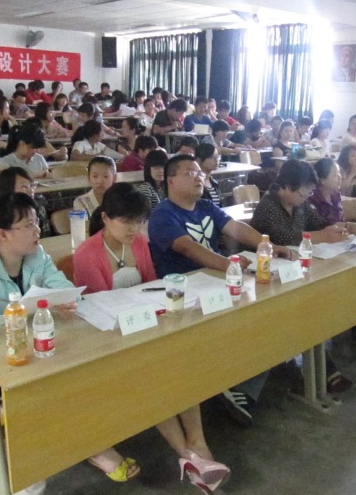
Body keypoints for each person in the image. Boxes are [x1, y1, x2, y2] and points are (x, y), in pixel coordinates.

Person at [0, 192, 139, 493]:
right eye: (28, 225)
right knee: (33, 393)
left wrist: (64, 299)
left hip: (30, 352)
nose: (38, 230)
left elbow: (64, 287)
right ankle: (36, 476)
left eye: (36, 222)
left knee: (76, 372)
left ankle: (86, 443)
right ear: (3, 234)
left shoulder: (37, 257)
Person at [73, 183, 231, 493]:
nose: (134, 229)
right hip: (109, 338)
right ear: (105, 218)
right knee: (155, 375)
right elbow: (99, 309)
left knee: (178, 364)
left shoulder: (139, 243)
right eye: (126, 222)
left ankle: (196, 446)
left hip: (143, 326)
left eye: (139, 221)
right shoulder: (87, 253)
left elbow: (151, 286)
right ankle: (189, 454)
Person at [220, 160, 354, 426]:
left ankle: (317, 367)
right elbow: (283, 239)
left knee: (307, 308)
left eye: (309, 192)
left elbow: (319, 224)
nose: (306, 197)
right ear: (286, 187)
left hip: (290, 274)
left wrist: (337, 229)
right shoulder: (268, 206)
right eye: (303, 192)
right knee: (287, 316)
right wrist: (320, 236)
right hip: (262, 277)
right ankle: (250, 386)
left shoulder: (300, 204)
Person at [148, 154, 291, 277]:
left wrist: (269, 247)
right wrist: (227, 264)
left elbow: (235, 227)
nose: (199, 178)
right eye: (191, 173)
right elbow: (187, 247)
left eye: (200, 173)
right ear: (171, 181)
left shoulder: (206, 206)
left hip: (215, 274)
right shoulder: (163, 214)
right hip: (184, 283)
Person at [310, 158, 356, 345]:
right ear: (322, 180)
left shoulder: (336, 195)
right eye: (335, 175)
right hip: (320, 251)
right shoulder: (311, 199)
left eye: (340, 173)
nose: (340, 178)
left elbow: (342, 222)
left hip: (339, 246)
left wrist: (351, 228)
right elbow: (315, 229)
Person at [0, 167, 51, 238]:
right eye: (24, 187)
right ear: (8, 189)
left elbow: (45, 235)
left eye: (31, 186)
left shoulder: (37, 205)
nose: (31, 191)